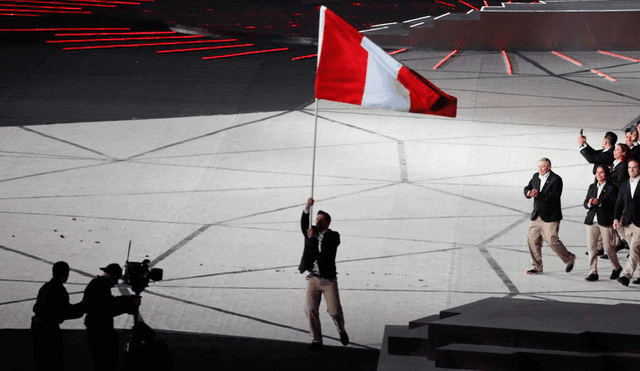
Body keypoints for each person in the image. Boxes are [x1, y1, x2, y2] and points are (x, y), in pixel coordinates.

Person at [298, 198, 349, 350]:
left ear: (327, 223)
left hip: (328, 280)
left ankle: (340, 329)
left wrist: (314, 236)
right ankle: (316, 340)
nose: (317, 221)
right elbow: (303, 223)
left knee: (334, 310)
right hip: (313, 278)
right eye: (316, 219)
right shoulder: (310, 232)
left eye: (320, 220)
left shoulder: (334, 236)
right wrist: (307, 206)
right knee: (310, 309)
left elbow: (327, 247)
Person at [82, 263, 140, 371]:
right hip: (99, 332)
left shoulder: (97, 285)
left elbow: (107, 304)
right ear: (111, 275)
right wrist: (129, 303)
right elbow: (108, 308)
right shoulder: (100, 287)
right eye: (116, 279)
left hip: (96, 331)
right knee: (106, 364)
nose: (116, 283)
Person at [523, 158, 576, 274]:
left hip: (551, 216)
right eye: (538, 167)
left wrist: (538, 195)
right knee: (531, 239)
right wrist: (528, 193)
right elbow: (527, 188)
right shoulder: (535, 176)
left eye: (542, 167)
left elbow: (554, 197)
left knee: (552, 240)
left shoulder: (556, 179)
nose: (540, 169)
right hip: (537, 215)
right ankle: (537, 267)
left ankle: (569, 258)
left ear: (548, 167)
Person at [31, 261, 84, 371]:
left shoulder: (45, 287)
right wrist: (82, 308)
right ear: (66, 275)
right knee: (54, 362)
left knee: (41, 362)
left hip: (37, 328)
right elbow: (66, 312)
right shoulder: (59, 290)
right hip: (48, 330)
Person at [583, 165, 622, 281]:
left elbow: (615, 205)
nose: (599, 175)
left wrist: (600, 203)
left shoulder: (612, 188)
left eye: (601, 173)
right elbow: (585, 203)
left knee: (609, 248)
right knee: (591, 248)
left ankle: (617, 267)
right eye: (597, 172)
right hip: (592, 221)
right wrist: (590, 203)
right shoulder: (592, 187)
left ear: (606, 174)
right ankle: (593, 272)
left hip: (605, 221)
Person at [614, 159, 640, 286]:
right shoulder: (624, 184)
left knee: (634, 248)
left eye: (634, 167)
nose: (631, 170)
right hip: (628, 222)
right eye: (629, 167)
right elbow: (619, 203)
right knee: (636, 250)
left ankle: (626, 275)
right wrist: (615, 218)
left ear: (639, 169)